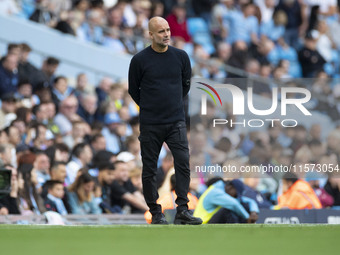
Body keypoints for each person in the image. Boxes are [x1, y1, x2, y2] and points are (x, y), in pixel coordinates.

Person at [128, 16, 202, 225]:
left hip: (175, 121)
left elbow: (185, 86)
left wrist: (171, 105)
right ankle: (156, 212)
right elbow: (134, 90)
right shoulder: (139, 60)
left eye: (168, 30)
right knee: (149, 168)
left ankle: (182, 210)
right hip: (151, 123)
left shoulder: (181, 56)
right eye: (161, 31)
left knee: (183, 163)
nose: (167, 34)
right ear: (150, 35)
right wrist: (152, 107)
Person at [193, 178, 259, 224]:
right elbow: (234, 204)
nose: (235, 197)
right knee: (227, 210)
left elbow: (249, 201)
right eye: (235, 195)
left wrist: (253, 212)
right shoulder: (215, 192)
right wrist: (247, 218)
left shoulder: (223, 189)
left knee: (241, 205)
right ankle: (237, 231)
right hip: (202, 223)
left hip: (209, 220)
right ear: (230, 188)